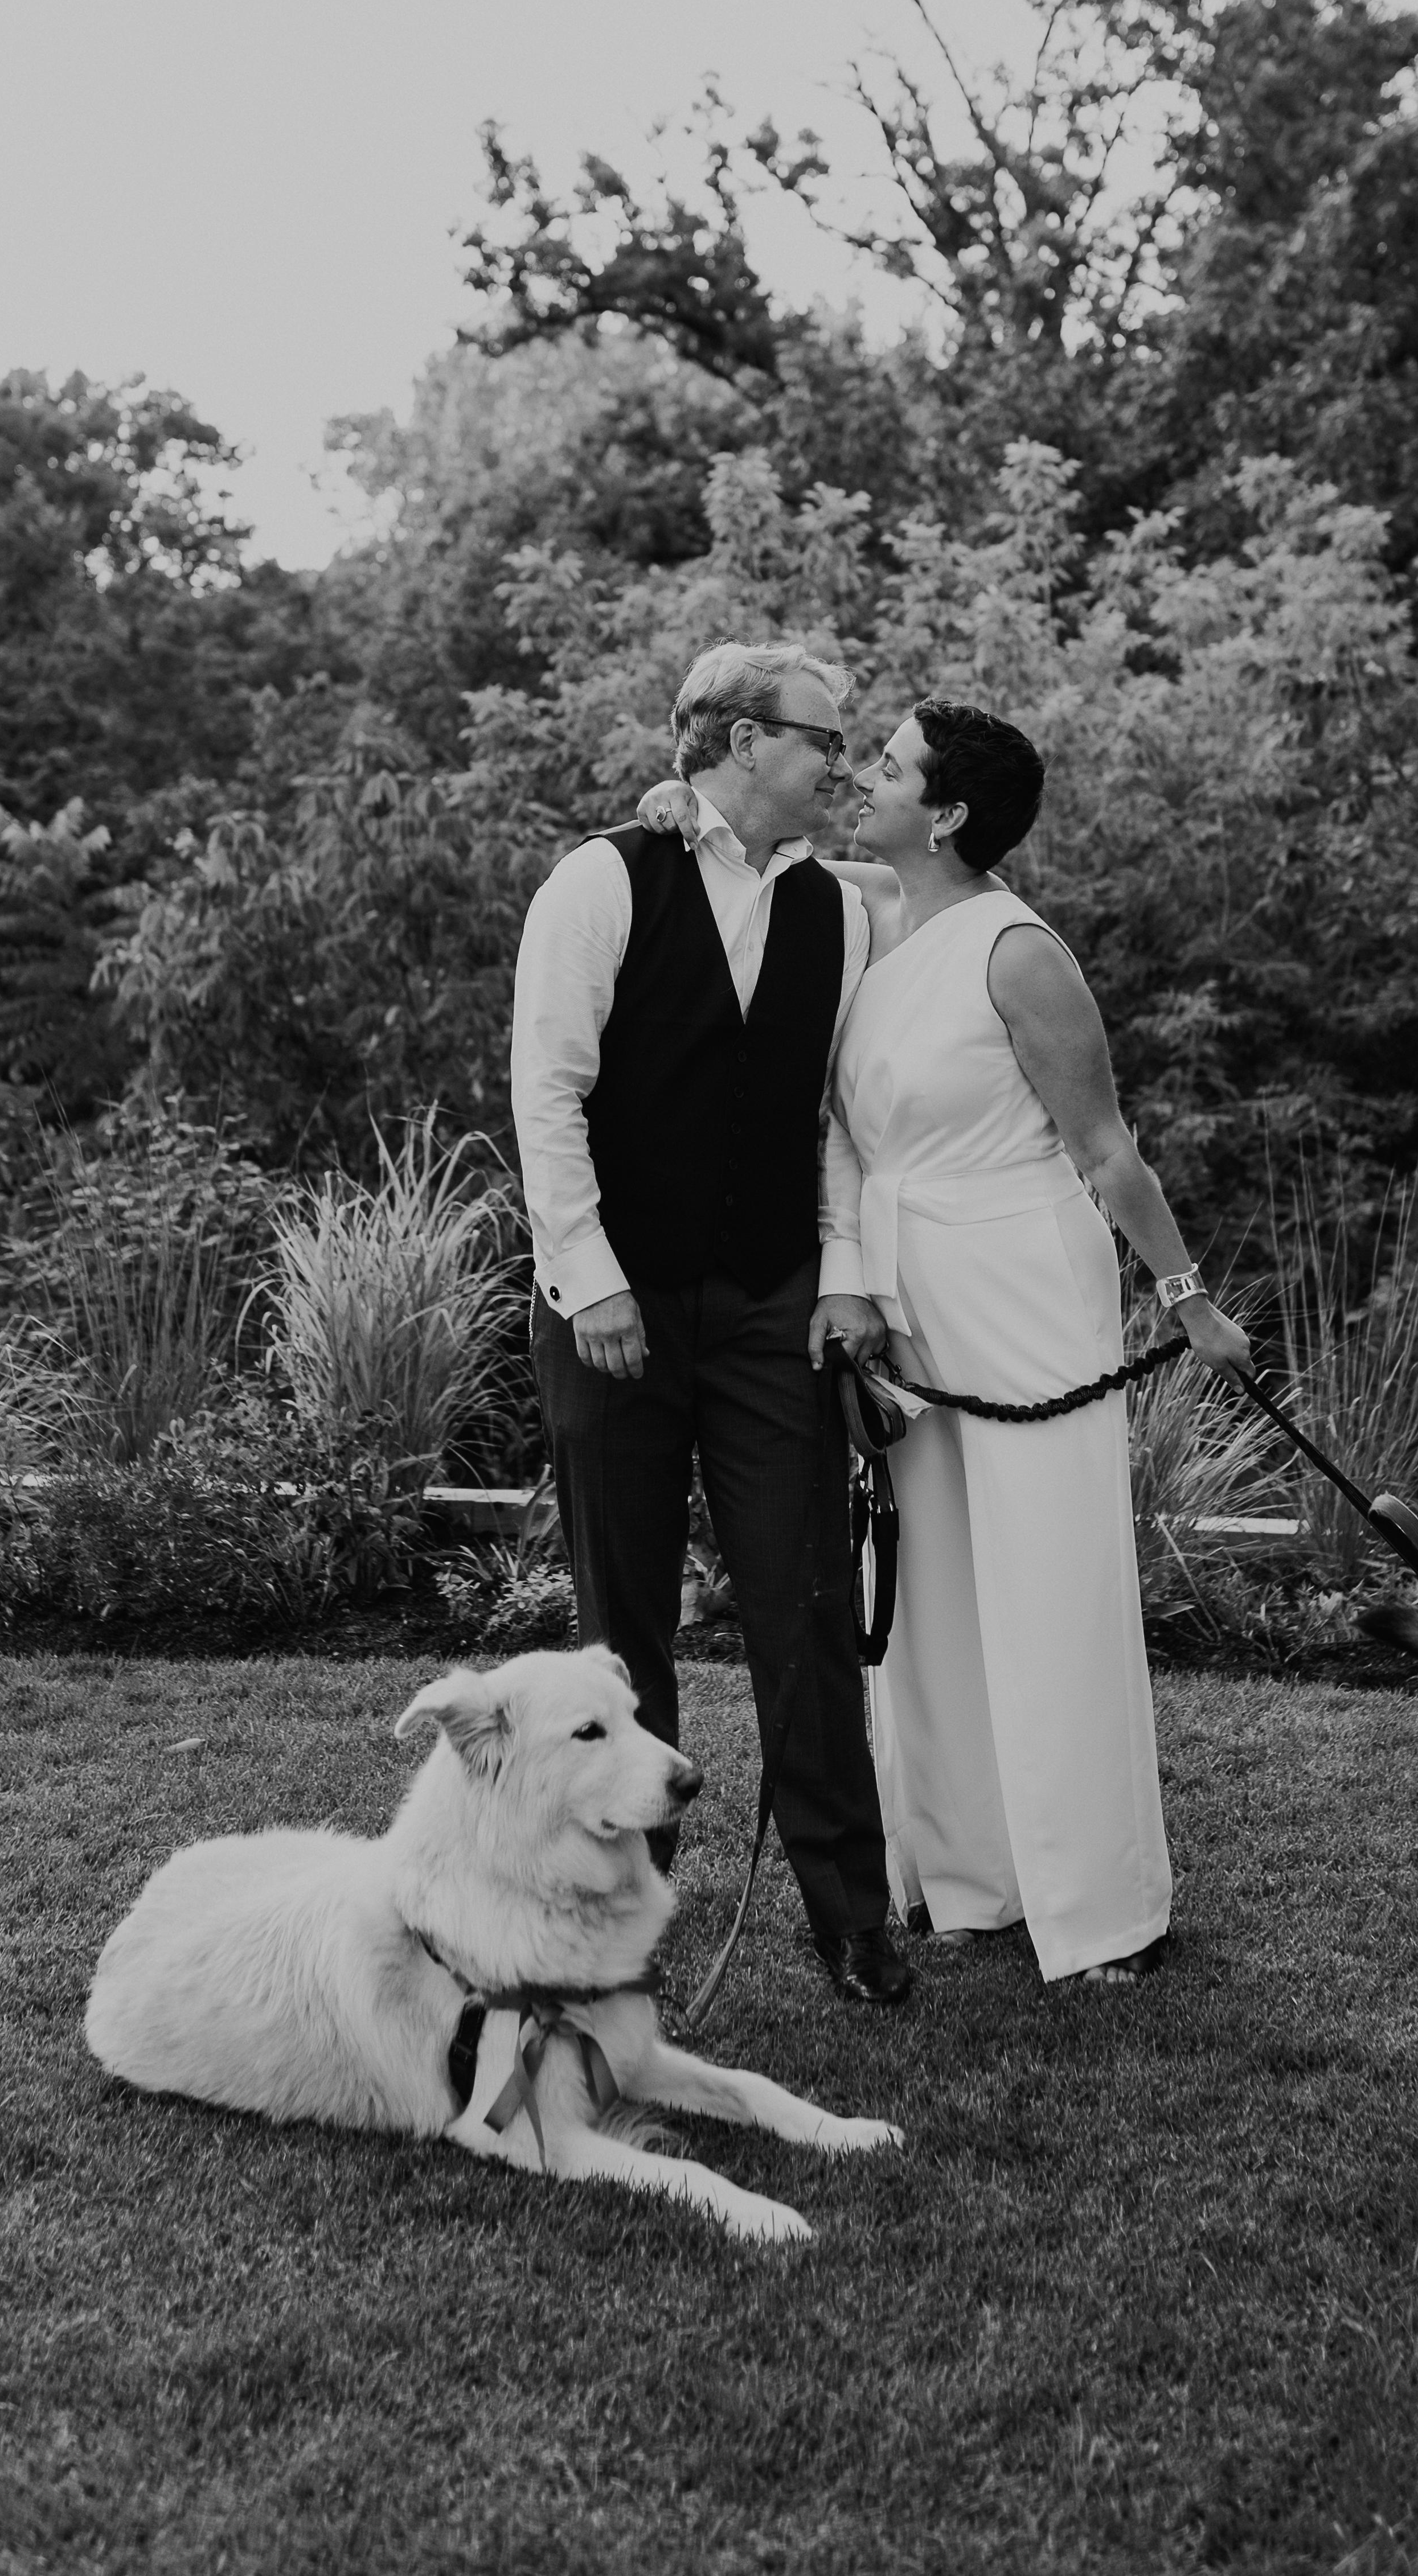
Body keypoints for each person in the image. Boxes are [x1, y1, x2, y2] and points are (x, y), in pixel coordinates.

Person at [638, 697, 1249, 1986]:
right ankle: (974, 1878)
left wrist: (1190, 1300)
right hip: (904, 1292)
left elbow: (1106, 1150)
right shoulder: (876, 909)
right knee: (930, 1595)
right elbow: (755, 849)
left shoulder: (1020, 954)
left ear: (951, 812)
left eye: (893, 766)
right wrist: (681, 804)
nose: (863, 776)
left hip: (1021, 1285)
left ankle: (1103, 1908)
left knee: (1048, 1586)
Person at [510, 640, 909, 2007]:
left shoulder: (838, 910)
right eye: (823, 738)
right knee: (623, 1632)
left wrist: (844, 1275)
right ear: (745, 741)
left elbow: (836, 1117)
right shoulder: (601, 879)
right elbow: (547, 1091)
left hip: (770, 1307)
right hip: (611, 1305)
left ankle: (851, 1913)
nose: (841, 762)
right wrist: (591, 1278)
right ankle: (625, 1907)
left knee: (807, 1608)